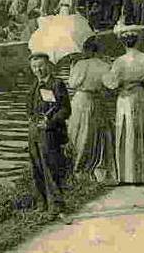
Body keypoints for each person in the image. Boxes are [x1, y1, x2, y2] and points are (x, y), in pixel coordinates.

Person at [102, 25, 144, 184]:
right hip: (140, 95)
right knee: (140, 129)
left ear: (123, 43)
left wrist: (109, 73)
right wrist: (140, 82)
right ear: (137, 41)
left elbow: (111, 83)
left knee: (126, 131)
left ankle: (126, 174)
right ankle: (142, 173)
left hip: (125, 97)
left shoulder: (119, 62)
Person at [26, 52, 71, 222]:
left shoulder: (57, 84)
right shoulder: (34, 86)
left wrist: (50, 122)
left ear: (48, 66)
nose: (38, 70)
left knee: (51, 168)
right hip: (34, 132)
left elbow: (66, 109)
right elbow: (29, 108)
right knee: (36, 167)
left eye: (41, 66)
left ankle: (57, 206)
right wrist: (32, 119)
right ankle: (42, 204)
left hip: (50, 133)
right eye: (34, 67)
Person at [67, 38, 116, 183]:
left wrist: (72, 67)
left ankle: (78, 166)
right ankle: (97, 166)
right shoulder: (105, 65)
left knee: (79, 132)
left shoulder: (80, 65)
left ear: (88, 50)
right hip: (97, 100)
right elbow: (111, 86)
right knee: (97, 133)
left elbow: (72, 84)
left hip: (81, 101)